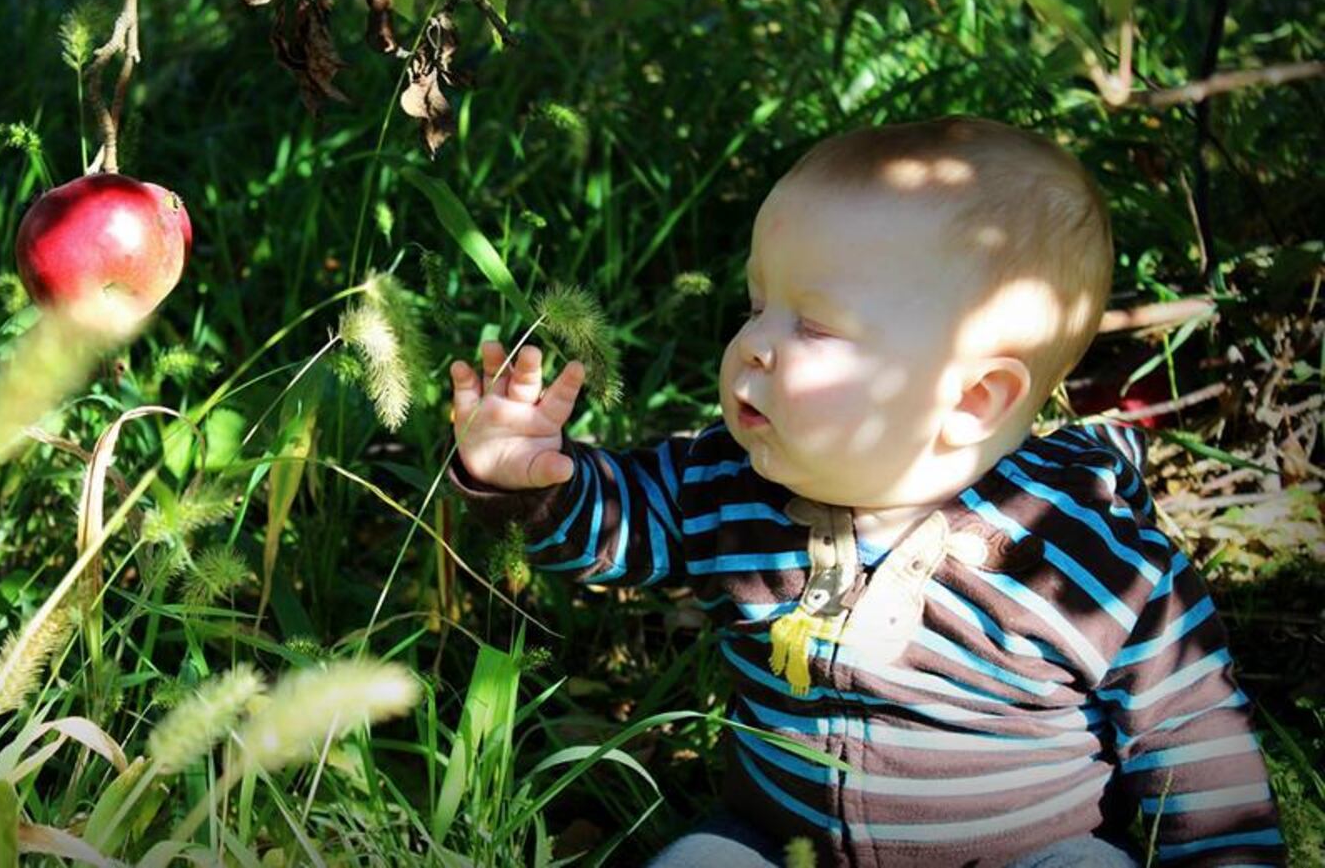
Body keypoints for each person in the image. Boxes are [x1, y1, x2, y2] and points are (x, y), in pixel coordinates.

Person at [444, 118, 1285, 867]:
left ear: (971, 400)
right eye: (756, 304)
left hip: (1030, 848)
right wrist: (528, 482)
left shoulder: (1079, 554)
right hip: (777, 839)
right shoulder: (722, 483)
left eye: (812, 324)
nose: (752, 345)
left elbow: (1190, 733)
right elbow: (617, 528)